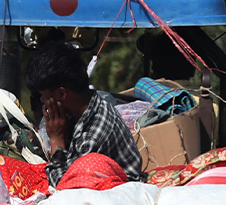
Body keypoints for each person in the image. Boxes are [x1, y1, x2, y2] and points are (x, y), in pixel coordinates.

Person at [26, 41, 143, 188]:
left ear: (62, 93)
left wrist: (56, 140)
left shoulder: (93, 134)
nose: (43, 102)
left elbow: (64, 185)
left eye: (43, 96)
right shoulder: (83, 108)